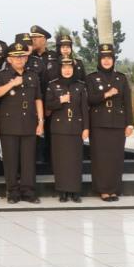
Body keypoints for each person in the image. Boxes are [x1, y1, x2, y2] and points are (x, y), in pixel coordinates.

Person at [0, 42, 44, 203]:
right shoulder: (2, 75)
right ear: (9, 59)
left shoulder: (33, 75)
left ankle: (28, 192)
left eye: (22, 56)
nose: (19, 59)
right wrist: (11, 84)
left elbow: (38, 99)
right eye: (16, 57)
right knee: (11, 160)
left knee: (28, 160)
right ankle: (12, 192)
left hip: (29, 122)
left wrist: (41, 121)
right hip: (9, 124)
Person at [86, 43, 134, 201]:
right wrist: (106, 94)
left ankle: (114, 189)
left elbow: (127, 101)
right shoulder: (91, 78)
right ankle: (103, 190)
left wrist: (129, 123)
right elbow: (90, 99)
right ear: (99, 60)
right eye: (103, 58)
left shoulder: (121, 77)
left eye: (109, 58)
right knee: (100, 157)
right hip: (99, 123)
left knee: (116, 157)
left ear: (113, 60)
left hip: (118, 123)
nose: (106, 61)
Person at [45, 57, 89, 202]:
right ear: (60, 69)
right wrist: (60, 101)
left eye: (70, 67)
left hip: (76, 127)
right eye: (64, 68)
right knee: (60, 161)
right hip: (59, 128)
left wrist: (86, 128)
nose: (67, 70)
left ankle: (75, 191)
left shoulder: (80, 86)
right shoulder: (53, 85)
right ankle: (63, 191)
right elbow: (48, 105)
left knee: (75, 160)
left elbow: (84, 109)